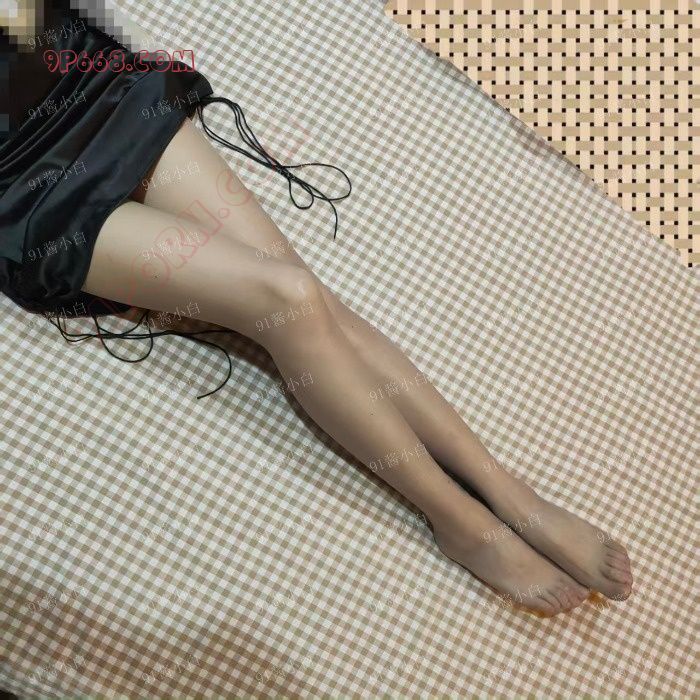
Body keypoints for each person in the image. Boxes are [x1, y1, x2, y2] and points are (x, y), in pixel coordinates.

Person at [0, 0, 632, 616]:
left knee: (311, 299)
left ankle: (511, 495)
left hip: (96, 87)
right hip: (23, 191)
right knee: (289, 296)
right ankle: (459, 519)